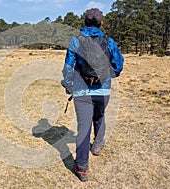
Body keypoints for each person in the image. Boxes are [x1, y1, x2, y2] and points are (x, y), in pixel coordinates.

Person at [61, 8, 124, 182]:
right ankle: (97, 146)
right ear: (101, 23)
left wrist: (68, 85)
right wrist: (106, 75)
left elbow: (68, 67)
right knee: (100, 115)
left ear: (84, 22)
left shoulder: (76, 41)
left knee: (83, 127)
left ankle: (82, 168)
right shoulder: (109, 41)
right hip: (103, 90)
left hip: (82, 91)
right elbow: (118, 65)